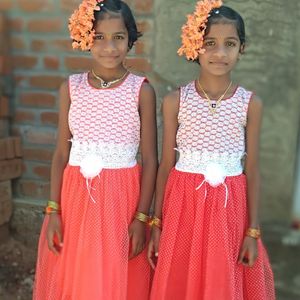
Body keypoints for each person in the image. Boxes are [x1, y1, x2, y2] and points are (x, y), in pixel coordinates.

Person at [148, 1, 275, 299]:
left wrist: (252, 231)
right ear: (195, 45)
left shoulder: (250, 103)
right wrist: (156, 221)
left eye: (229, 44)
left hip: (228, 211)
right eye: (210, 44)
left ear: (242, 48)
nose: (220, 53)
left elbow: (253, 169)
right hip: (183, 207)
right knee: (182, 277)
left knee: (220, 280)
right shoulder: (175, 101)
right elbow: (166, 164)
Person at [33, 0, 157, 299]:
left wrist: (142, 218)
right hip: (76, 200)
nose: (109, 47)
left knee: (114, 276)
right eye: (99, 37)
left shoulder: (141, 90)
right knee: (79, 274)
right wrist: (53, 211)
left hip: (121, 200)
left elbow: (151, 160)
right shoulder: (71, 88)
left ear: (130, 38)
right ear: (86, 38)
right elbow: (61, 154)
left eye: (118, 37)